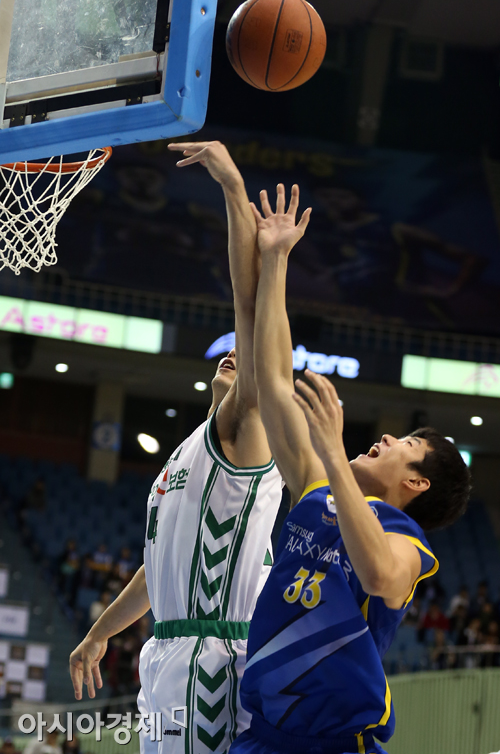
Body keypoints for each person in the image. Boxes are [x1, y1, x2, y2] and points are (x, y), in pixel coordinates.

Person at [229, 184, 471, 754]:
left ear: (416, 483)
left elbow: (381, 578)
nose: (385, 437)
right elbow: (271, 377)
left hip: (337, 744)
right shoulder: (316, 493)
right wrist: (276, 258)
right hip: (261, 737)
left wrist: (335, 455)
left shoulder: (404, 540)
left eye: (405, 443)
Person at [69, 142, 283, 754]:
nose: (235, 354)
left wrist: (233, 190)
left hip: (210, 664)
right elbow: (157, 570)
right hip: (169, 653)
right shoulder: (196, 450)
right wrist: (101, 630)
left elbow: (250, 311)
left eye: (247, 360)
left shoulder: (244, 432)